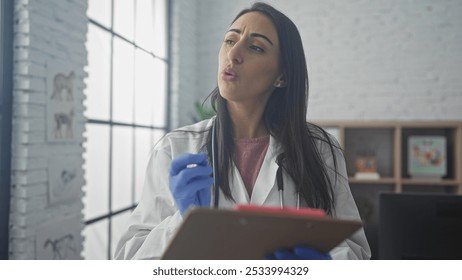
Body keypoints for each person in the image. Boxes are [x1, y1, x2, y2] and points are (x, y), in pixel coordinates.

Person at [114, 2, 371, 260]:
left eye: (255, 47)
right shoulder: (175, 149)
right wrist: (183, 220)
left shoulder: (321, 149)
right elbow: (128, 259)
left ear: (282, 76)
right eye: (229, 40)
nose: (233, 54)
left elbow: (356, 251)